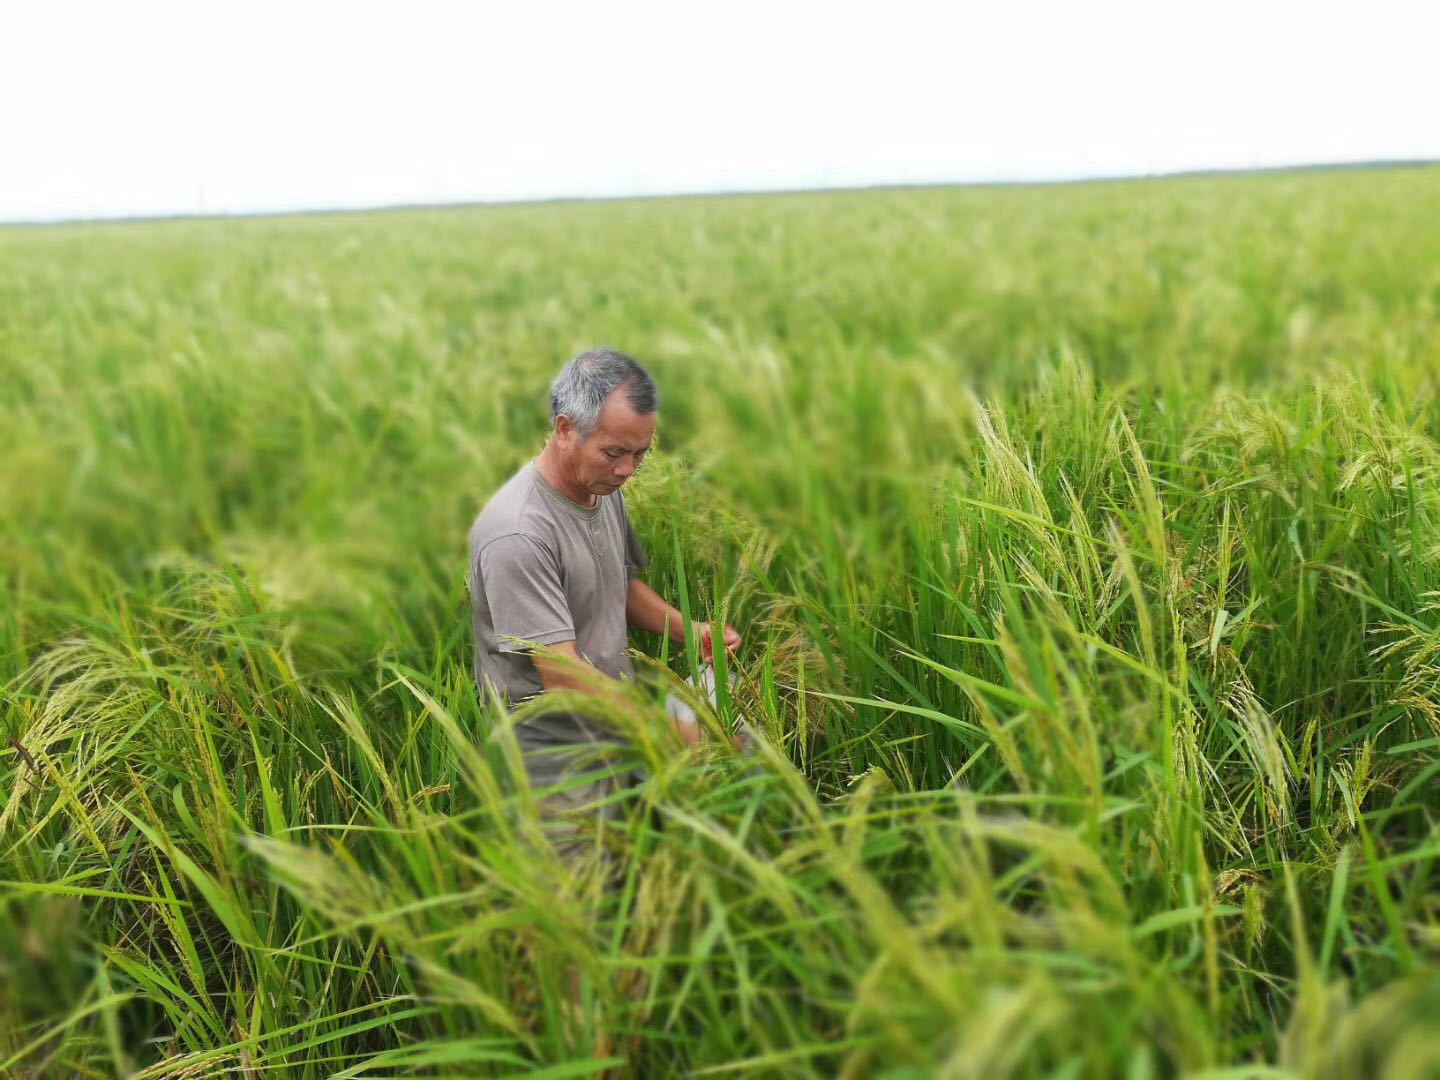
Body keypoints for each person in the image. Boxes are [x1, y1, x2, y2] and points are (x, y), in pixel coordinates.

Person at [468, 346, 740, 866]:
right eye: (615, 452)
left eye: (641, 454)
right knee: (584, 891)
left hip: (614, 711)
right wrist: (670, 731)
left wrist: (691, 631)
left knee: (642, 859)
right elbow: (564, 677)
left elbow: (618, 583)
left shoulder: (601, 487)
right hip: (553, 745)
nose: (627, 471)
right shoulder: (518, 533)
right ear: (566, 428)